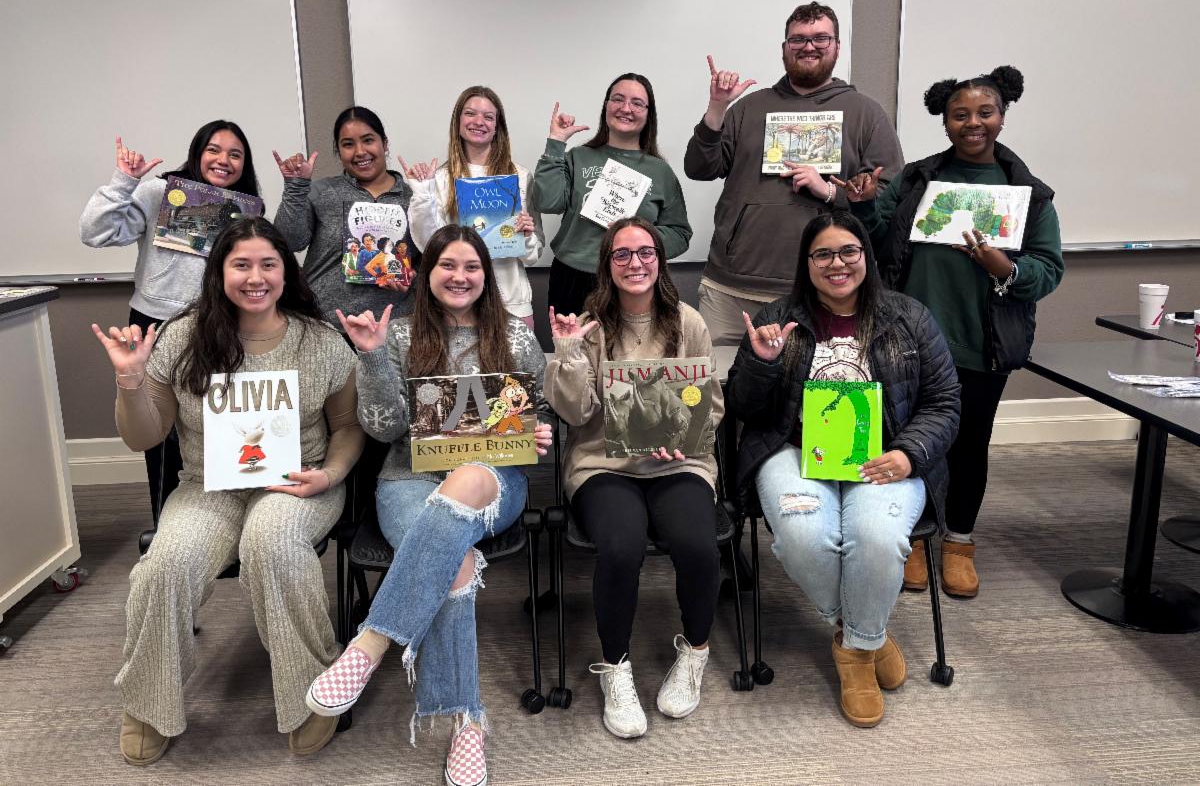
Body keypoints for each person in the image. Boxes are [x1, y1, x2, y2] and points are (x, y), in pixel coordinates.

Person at [90, 218, 364, 765]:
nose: (255, 277)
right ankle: (148, 700)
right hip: (206, 486)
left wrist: (328, 476)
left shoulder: (321, 343)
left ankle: (311, 689)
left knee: (273, 544)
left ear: (287, 272)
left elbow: (348, 429)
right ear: (219, 272)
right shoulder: (183, 338)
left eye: (268, 264)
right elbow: (145, 435)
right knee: (166, 563)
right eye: (241, 264)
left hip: (297, 482)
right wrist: (130, 383)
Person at [305, 225, 552, 786]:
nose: (459, 277)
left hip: (495, 481)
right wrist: (369, 359)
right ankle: (466, 723)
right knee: (454, 560)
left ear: (486, 275)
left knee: (465, 479)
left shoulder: (514, 337)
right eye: (447, 266)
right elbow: (384, 428)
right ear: (427, 273)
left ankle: (370, 643)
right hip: (407, 479)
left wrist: (537, 434)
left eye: (470, 267)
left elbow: (536, 419)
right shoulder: (400, 336)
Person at [726, 210, 959, 727]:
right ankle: (866, 636)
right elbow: (742, 408)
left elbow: (944, 401)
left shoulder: (909, 317)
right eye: (823, 254)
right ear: (806, 263)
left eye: (849, 251)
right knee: (805, 537)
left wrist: (909, 453)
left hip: (887, 456)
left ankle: (853, 650)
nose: (838, 263)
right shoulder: (776, 317)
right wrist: (763, 361)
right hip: (793, 452)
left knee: (877, 539)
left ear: (866, 257)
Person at [848, 65, 1063, 598]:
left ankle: (959, 540)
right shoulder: (918, 179)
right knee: (905, 440)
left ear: (1002, 116)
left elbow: (1049, 269)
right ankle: (914, 538)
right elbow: (875, 238)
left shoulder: (1028, 193)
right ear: (945, 123)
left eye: (984, 113)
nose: (973, 123)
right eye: (960, 115)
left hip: (981, 340)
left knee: (970, 444)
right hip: (908, 340)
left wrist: (1004, 268)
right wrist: (859, 203)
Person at [543, 217, 723, 740]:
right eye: (622, 254)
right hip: (604, 464)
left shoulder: (688, 322)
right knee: (621, 547)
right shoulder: (590, 324)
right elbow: (575, 415)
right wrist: (571, 354)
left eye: (645, 252)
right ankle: (616, 668)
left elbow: (708, 406)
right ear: (607, 265)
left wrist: (680, 434)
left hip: (678, 461)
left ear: (660, 261)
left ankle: (695, 652)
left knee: (697, 545)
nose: (635, 263)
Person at [684, 1, 905, 345]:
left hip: (820, 288)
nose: (809, 46)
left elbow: (890, 196)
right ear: (784, 48)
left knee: (809, 392)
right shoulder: (748, 107)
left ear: (836, 47)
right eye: (798, 39)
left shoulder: (865, 113)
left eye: (821, 38)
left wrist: (831, 193)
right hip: (729, 288)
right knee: (725, 390)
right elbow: (699, 168)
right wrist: (717, 108)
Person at [81, 121, 263, 513]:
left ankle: (223, 521)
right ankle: (168, 523)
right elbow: (95, 233)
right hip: (155, 324)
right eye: (214, 150)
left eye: (235, 154)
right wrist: (123, 181)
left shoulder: (247, 210)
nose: (223, 160)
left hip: (219, 326)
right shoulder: (159, 192)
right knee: (160, 431)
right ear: (197, 152)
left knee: (221, 425)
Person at [532, 73, 692, 316]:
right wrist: (556, 142)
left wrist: (637, 234)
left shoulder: (660, 171)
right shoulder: (578, 157)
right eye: (618, 99)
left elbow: (680, 234)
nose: (626, 108)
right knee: (572, 352)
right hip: (572, 278)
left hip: (633, 280)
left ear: (649, 114)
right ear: (606, 106)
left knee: (628, 354)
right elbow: (547, 202)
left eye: (637, 103)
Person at [408, 85, 544, 327]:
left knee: (513, 367)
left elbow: (533, 255)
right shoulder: (439, 179)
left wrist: (526, 235)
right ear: (458, 121)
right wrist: (422, 194)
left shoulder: (521, 177)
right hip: (456, 302)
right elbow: (428, 244)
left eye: (488, 117)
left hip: (510, 301)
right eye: (470, 113)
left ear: (497, 127)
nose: (479, 121)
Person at [273, 106, 420, 325]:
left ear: (385, 143)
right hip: (325, 326)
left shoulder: (414, 199)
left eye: (368, 140)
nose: (360, 151)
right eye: (348, 144)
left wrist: (414, 279)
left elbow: (435, 260)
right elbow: (290, 242)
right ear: (338, 151)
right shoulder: (322, 192)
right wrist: (296, 186)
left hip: (393, 328)